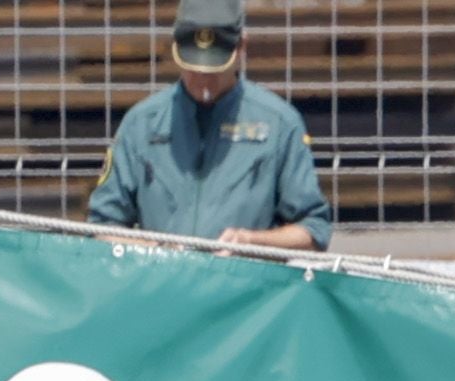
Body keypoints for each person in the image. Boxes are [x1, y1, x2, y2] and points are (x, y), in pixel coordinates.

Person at [87, 11, 333, 251]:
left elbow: (313, 230)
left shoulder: (279, 124)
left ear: (241, 47)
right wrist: (158, 250)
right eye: (193, 67)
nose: (203, 79)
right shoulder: (141, 124)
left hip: (244, 276)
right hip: (161, 276)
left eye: (215, 67)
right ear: (176, 50)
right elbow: (102, 227)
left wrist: (251, 242)